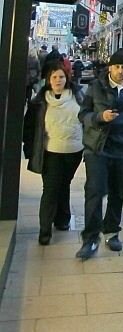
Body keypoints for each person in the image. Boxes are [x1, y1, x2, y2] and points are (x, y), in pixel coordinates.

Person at [76, 49, 123, 259]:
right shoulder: (97, 86)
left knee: (117, 193)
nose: (120, 71)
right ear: (110, 67)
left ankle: (112, 232)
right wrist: (99, 117)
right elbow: (83, 114)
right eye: (117, 67)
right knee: (94, 191)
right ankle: (90, 237)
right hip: (98, 148)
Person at [22, 62, 84, 245]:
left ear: (67, 78)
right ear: (48, 80)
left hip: (74, 151)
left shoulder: (78, 96)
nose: (58, 80)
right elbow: (29, 128)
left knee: (64, 183)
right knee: (50, 188)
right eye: (55, 77)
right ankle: (45, 229)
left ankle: (62, 220)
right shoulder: (39, 102)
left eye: (61, 77)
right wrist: (29, 149)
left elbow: (87, 118)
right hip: (51, 151)